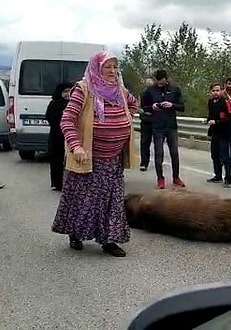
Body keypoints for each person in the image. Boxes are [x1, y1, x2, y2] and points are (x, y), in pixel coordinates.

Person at [51, 51, 139, 258]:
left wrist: (123, 120)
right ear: (96, 68)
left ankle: (109, 240)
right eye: (107, 67)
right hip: (88, 157)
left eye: (115, 67)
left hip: (113, 159)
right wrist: (77, 147)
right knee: (83, 200)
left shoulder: (120, 91)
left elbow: (133, 105)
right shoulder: (83, 90)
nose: (112, 71)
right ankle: (76, 234)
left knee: (112, 201)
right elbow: (66, 121)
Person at [139, 69, 186, 189]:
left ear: (166, 79)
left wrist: (172, 105)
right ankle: (160, 178)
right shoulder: (150, 91)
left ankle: (176, 177)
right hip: (157, 126)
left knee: (174, 153)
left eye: (162, 82)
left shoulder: (175, 90)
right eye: (158, 82)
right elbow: (144, 107)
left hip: (171, 126)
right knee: (159, 154)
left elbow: (182, 107)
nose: (160, 84)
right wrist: (152, 107)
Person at [45, 82, 73, 191]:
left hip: (71, 137)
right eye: (65, 91)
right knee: (57, 160)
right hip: (56, 136)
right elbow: (49, 117)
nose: (67, 94)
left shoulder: (75, 104)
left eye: (70, 91)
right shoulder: (54, 104)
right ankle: (57, 183)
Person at [206, 83, 231, 187]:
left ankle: (228, 178)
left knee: (224, 155)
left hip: (224, 132)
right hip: (215, 132)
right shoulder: (210, 102)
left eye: (217, 90)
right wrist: (209, 121)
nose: (215, 93)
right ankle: (218, 175)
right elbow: (210, 115)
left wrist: (217, 122)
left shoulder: (225, 102)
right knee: (214, 155)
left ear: (222, 91)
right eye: (213, 91)